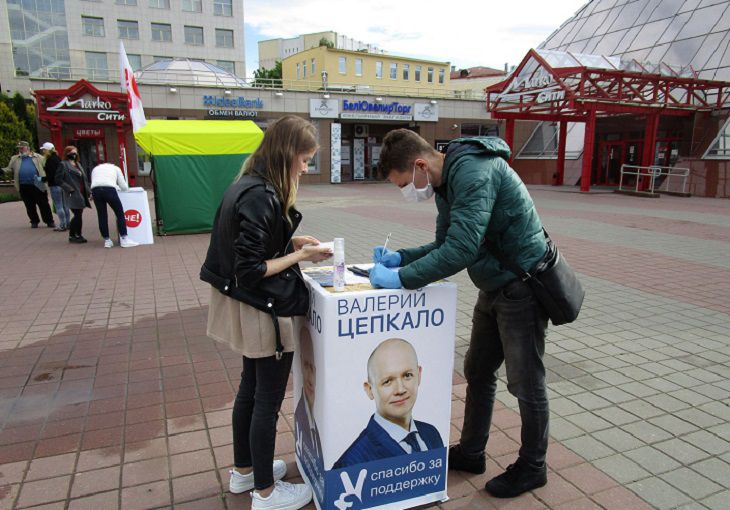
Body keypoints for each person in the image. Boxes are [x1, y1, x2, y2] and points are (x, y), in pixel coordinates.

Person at [369, 129, 549, 498]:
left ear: (420, 165)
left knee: (525, 383)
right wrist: (402, 257)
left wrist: (400, 278)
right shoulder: (446, 183)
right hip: (496, 285)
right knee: (478, 370)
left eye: (404, 183)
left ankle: (533, 467)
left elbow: (461, 250)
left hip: (522, 287)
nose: (406, 191)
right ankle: (472, 452)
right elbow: (444, 243)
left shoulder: (473, 172)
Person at [200, 115, 332, 510]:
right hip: (262, 309)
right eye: (305, 159)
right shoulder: (262, 194)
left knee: (251, 389)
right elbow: (252, 269)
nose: (306, 168)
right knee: (266, 400)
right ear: (286, 154)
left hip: (242, 304)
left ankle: (245, 472)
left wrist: (290, 239)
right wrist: (300, 255)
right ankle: (267, 493)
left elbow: (248, 243)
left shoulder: (248, 183)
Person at [333, 338, 443, 469]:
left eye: (407, 375)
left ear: (419, 375)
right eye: (387, 382)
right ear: (369, 390)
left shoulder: (431, 433)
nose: (400, 389)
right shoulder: (351, 463)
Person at [6, 141, 55, 228]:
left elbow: (47, 165)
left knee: (43, 204)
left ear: (28, 148)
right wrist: (2, 170)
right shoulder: (15, 158)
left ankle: (49, 221)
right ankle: (34, 221)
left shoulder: (38, 157)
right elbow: (9, 169)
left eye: (22, 148)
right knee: (29, 205)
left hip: (37, 184)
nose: (20, 150)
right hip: (23, 185)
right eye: (19, 148)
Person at [90, 162, 139, 248]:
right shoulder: (116, 168)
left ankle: (107, 240)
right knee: (119, 213)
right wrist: (120, 188)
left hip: (95, 191)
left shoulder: (95, 169)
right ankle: (124, 239)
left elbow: (96, 182)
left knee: (102, 215)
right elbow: (123, 186)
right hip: (109, 190)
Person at [55, 146, 91, 243]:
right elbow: (58, 180)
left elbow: (84, 179)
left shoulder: (78, 164)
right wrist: (69, 189)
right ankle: (77, 235)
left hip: (82, 192)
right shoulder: (63, 164)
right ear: (67, 153)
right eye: (72, 152)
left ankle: (72, 235)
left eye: (75, 152)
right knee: (78, 214)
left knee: (78, 214)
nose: (74, 154)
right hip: (73, 193)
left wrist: (89, 192)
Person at [40, 142, 69, 231]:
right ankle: (67, 223)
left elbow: (51, 175)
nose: (43, 152)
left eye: (44, 150)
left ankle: (62, 225)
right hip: (62, 185)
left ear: (47, 150)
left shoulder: (50, 160)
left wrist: (42, 179)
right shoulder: (58, 158)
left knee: (59, 205)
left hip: (55, 185)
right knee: (65, 205)